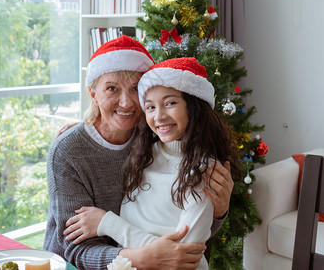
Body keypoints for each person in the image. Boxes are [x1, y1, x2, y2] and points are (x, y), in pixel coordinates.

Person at [44, 36, 234, 270]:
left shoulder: (153, 137)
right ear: (93, 95)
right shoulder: (69, 151)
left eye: (135, 88)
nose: (126, 103)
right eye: (112, 88)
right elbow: (74, 248)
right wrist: (141, 258)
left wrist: (218, 211)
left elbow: (183, 243)